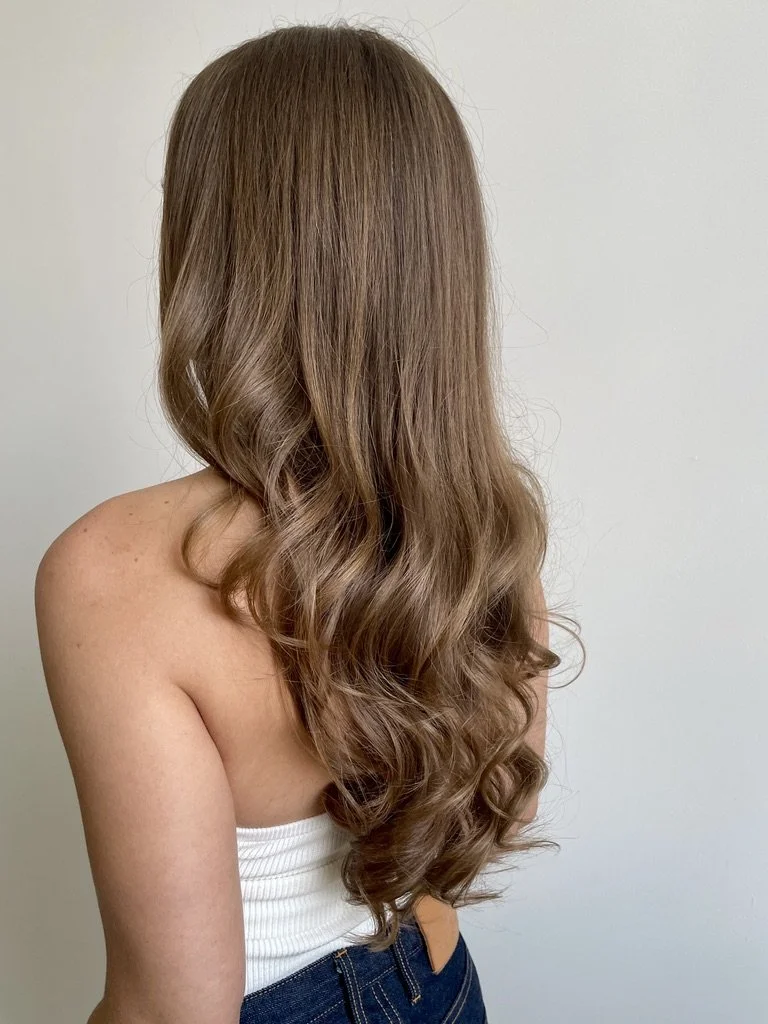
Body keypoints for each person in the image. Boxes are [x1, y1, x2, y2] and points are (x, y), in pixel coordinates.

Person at [34, 21, 564, 1024]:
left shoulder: (110, 570)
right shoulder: (486, 516)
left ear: (216, 250)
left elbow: (175, 1008)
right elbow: (511, 793)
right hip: (443, 979)